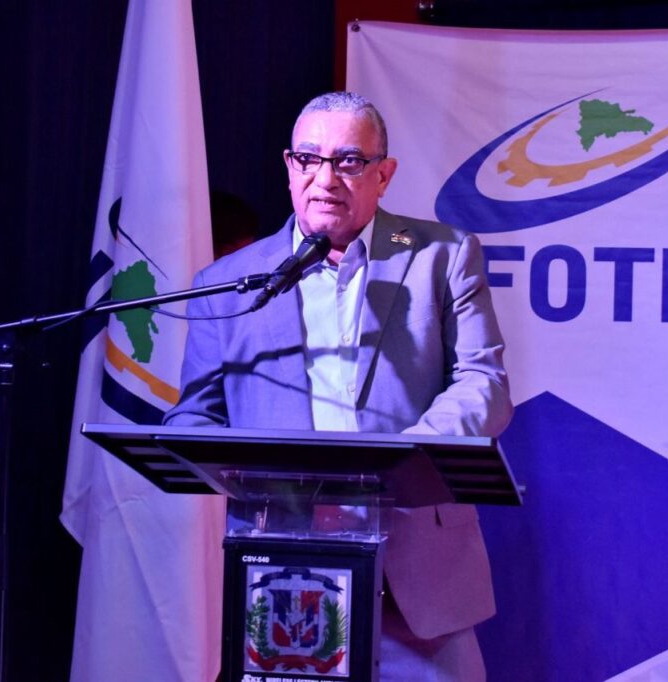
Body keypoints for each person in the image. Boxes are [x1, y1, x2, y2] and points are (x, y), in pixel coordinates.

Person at [164, 91, 512, 681]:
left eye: (348, 161)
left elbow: (484, 381)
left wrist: (406, 458)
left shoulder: (443, 256)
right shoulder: (227, 284)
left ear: (384, 174)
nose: (325, 179)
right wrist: (250, 472)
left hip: (419, 586)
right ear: (289, 167)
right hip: (284, 577)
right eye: (308, 159)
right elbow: (195, 418)